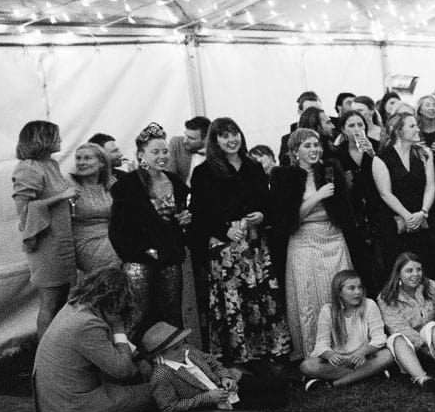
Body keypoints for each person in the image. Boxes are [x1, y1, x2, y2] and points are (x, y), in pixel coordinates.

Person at [189, 118, 291, 364]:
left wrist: (262, 215)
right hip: (225, 246)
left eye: (234, 133)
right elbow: (199, 213)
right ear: (214, 140)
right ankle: (238, 355)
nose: (231, 139)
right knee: (233, 298)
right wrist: (225, 231)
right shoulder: (203, 172)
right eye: (224, 135)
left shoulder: (253, 166)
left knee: (261, 295)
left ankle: (267, 351)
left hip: (255, 243)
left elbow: (267, 202)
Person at [270, 129, 355, 359]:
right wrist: (317, 196)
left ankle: (346, 345)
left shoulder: (329, 170)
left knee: (337, 291)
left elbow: (343, 209)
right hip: (304, 240)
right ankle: (314, 351)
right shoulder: (283, 176)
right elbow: (287, 219)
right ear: (295, 151)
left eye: (316, 144)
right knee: (309, 296)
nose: (314, 150)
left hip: (333, 237)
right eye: (307, 146)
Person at [32, 266, 155, 412]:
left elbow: (107, 343)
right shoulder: (88, 325)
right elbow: (123, 370)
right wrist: (119, 328)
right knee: (157, 389)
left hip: (55, 403)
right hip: (75, 407)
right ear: (117, 300)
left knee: (138, 385)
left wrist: (137, 357)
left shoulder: (75, 307)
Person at [110, 124, 192, 339]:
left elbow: (180, 221)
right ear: (141, 155)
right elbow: (118, 231)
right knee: (138, 315)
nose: (162, 156)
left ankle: (176, 366)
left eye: (164, 151)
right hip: (139, 260)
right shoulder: (127, 185)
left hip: (169, 258)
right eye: (155, 152)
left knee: (172, 314)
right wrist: (144, 252)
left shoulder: (175, 182)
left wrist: (184, 220)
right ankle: (129, 365)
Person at [12, 120, 78, 337]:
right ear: (42, 139)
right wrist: (61, 196)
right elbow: (24, 211)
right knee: (50, 301)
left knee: (63, 301)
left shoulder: (51, 164)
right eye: (56, 136)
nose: (60, 140)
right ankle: (44, 360)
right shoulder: (28, 168)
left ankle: (59, 350)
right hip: (45, 245)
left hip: (61, 242)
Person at [141, 321, 289, 412]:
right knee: (275, 400)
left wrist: (225, 376)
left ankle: (289, 381)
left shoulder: (187, 350)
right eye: (175, 349)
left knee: (277, 386)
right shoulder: (162, 375)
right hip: (218, 403)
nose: (182, 349)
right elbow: (169, 407)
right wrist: (206, 398)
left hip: (226, 387)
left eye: (181, 345)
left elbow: (212, 361)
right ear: (160, 354)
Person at [377, 251, 435, 390]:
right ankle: (423, 379)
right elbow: (396, 327)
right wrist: (422, 345)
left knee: (432, 325)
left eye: (418, 269)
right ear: (398, 273)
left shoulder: (431, 286)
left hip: (431, 339)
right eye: (409, 271)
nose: (415, 274)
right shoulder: (386, 297)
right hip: (406, 345)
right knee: (396, 338)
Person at [372, 111, 435, 282]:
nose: (418, 129)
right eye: (412, 126)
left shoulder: (424, 153)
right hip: (394, 221)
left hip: (422, 218)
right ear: (398, 131)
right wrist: (407, 216)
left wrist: (422, 212)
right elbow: (385, 193)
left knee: (425, 265)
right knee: (398, 269)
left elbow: (430, 186)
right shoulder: (381, 158)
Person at [300, 270, 395, 390]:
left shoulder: (369, 304)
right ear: (339, 292)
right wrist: (331, 355)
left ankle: (334, 384)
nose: (358, 292)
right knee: (307, 365)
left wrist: (362, 352)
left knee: (387, 355)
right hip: (339, 362)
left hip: (363, 358)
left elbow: (379, 338)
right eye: (351, 288)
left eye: (360, 287)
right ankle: (370, 374)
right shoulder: (327, 310)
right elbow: (321, 344)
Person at [332, 109, 380, 289]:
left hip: (376, 211)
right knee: (360, 262)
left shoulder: (377, 146)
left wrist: (373, 154)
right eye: (351, 125)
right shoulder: (337, 153)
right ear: (343, 130)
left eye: (360, 124)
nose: (357, 129)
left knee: (379, 262)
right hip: (353, 216)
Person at [68, 142, 121, 277]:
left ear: (102, 163)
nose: (81, 162)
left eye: (87, 158)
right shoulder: (68, 184)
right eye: (78, 158)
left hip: (110, 236)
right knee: (120, 256)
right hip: (85, 240)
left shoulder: (109, 184)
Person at [168, 116, 209, 182]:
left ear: (206, 139)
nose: (185, 140)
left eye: (191, 138)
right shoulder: (177, 144)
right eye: (185, 135)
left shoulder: (216, 151)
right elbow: (170, 175)